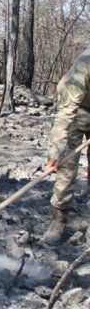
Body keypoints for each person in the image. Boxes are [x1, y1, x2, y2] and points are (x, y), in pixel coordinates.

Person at [43, 49, 90, 245]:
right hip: (78, 107)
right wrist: (56, 154)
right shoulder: (85, 65)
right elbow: (65, 114)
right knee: (67, 165)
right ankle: (59, 217)